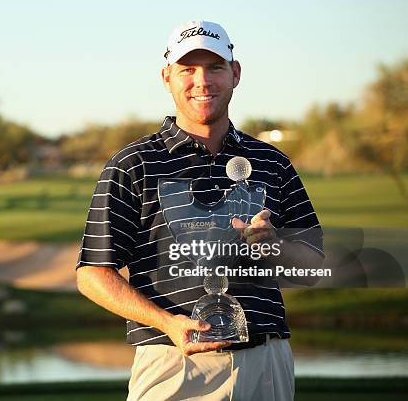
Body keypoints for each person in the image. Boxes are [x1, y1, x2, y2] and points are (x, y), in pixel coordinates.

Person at [76, 20, 324, 401]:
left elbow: (311, 268)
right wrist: (166, 323)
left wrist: (274, 246)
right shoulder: (134, 164)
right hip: (175, 362)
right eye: (187, 69)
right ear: (167, 77)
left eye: (215, 67)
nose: (202, 81)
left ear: (235, 73)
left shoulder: (272, 162)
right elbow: (93, 273)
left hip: (265, 363)